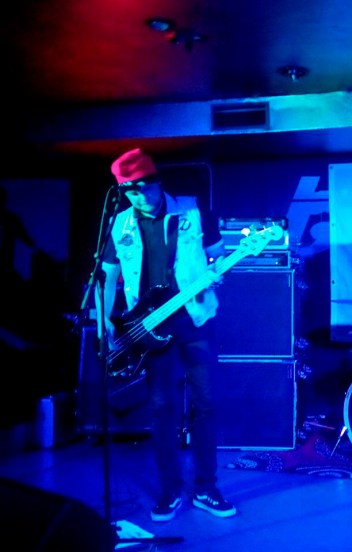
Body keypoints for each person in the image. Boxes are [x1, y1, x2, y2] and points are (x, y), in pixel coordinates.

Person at [95, 148, 236, 522]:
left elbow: (218, 257)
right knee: (162, 408)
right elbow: (106, 277)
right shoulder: (120, 224)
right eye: (130, 189)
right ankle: (169, 490)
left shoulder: (193, 211)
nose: (139, 195)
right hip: (149, 326)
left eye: (144, 186)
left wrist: (218, 272)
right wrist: (105, 323)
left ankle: (206, 488)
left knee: (206, 403)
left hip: (195, 319)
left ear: (157, 182)